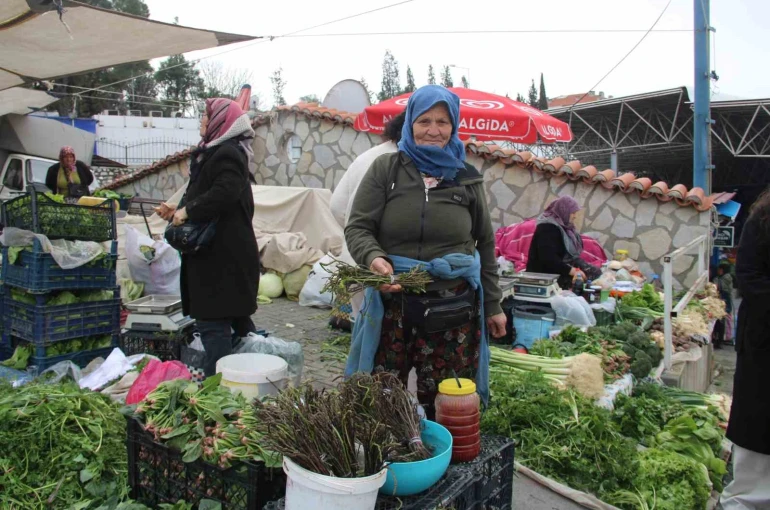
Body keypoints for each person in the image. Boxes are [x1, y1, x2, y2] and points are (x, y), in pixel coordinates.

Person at [344, 85, 506, 417]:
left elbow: (485, 243)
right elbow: (358, 227)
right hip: (394, 302)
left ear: (454, 125)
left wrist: (494, 305)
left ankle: (442, 445)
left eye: (443, 122)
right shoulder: (386, 169)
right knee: (383, 398)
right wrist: (374, 257)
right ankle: (389, 447)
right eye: (424, 121)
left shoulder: (466, 178)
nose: (433, 130)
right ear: (410, 124)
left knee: (445, 402)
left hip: (451, 308)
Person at [156, 98, 260, 376]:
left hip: (221, 262)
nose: (202, 120)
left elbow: (224, 192)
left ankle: (221, 387)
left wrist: (188, 211)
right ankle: (246, 379)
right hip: (220, 259)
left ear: (220, 122)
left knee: (214, 326)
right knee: (233, 326)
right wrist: (176, 211)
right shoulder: (214, 153)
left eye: (206, 115)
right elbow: (209, 197)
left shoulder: (227, 153)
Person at [329, 112, 406, 324]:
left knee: (363, 325)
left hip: (354, 257)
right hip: (385, 264)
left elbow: (336, 205)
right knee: (383, 329)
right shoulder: (401, 162)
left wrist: (354, 233)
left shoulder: (367, 156)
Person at [720, 189, 770, 509]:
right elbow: (748, 276)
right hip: (764, 340)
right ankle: (746, 499)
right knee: (759, 418)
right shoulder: (762, 220)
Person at [526, 196, 601, 290]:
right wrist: (573, 271)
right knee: (579, 283)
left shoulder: (564, 228)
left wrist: (577, 269)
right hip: (544, 274)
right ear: (564, 211)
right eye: (572, 213)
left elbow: (570, 256)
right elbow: (548, 259)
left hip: (559, 268)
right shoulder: (547, 229)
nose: (575, 216)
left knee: (594, 272)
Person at [712, 262, 734, 349]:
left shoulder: (725, 278)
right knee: (724, 319)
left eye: (719, 269)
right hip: (724, 300)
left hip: (724, 300)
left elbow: (718, 287)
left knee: (723, 319)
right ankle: (723, 338)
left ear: (722, 270)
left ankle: (723, 338)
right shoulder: (726, 277)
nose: (718, 271)